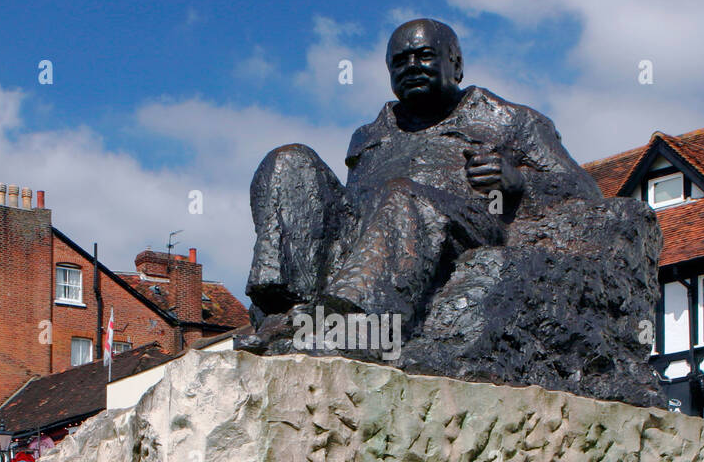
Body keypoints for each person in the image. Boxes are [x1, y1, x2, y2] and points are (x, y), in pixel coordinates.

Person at [242, 17, 600, 349]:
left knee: (402, 192)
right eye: (399, 62)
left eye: (424, 56)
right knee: (290, 158)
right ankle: (288, 309)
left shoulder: (511, 119)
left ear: (456, 65)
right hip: (372, 236)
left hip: (457, 230)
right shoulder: (369, 135)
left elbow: (585, 194)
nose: (411, 67)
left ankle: (365, 326)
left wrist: (518, 181)